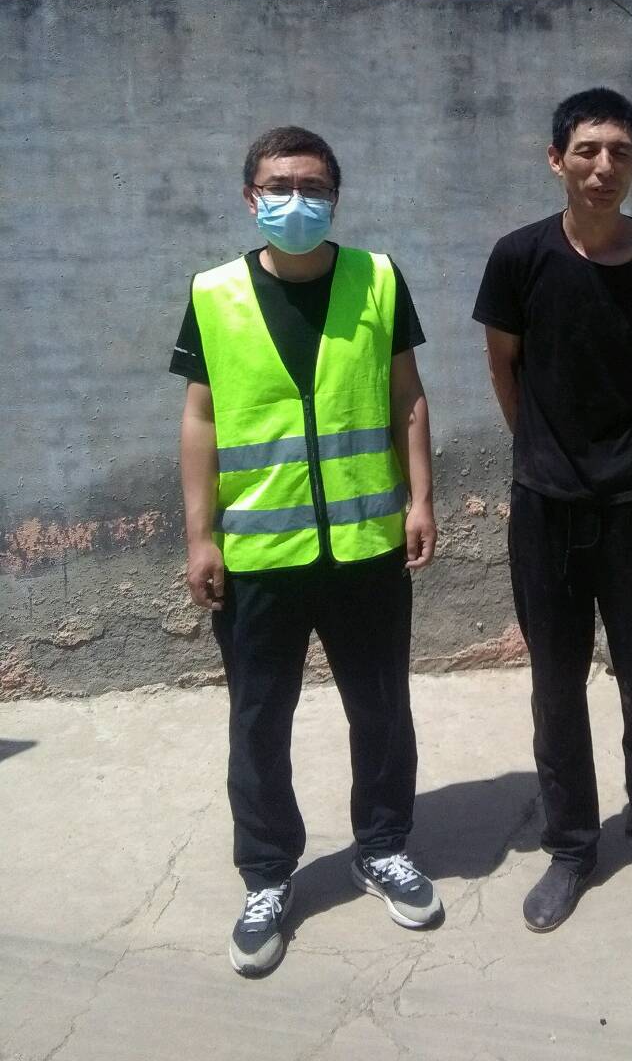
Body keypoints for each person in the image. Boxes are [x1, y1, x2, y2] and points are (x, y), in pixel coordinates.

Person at [171, 125, 442, 977]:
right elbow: (201, 418)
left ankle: (383, 846)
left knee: (382, 707)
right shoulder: (214, 293)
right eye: (279, 185)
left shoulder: (378, 279)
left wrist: (422, 498)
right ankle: (266, 876)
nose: (297, 200)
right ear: (250, 196)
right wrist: (200, 535)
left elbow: (406, 396)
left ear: (336, 195)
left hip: (365, 549)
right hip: (259, 556)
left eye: (314, 186)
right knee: (259, 722)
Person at [473, 88, 632, 932]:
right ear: (557, 160)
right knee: (556, 682)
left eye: (619, 151)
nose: (603, 166)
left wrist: (619, 447)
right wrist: (545, 450)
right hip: (547, 506)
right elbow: (503, 366)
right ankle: (571, 846)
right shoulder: (519, 257)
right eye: (586, 150)